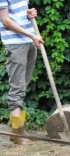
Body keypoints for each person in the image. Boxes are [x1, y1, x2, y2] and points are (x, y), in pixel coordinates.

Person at [0, 1, 44, 144]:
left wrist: (30, 13)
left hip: (29, 41)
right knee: (17, 89)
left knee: (23, 87)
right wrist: (31, 35)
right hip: (15, 44)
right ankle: (19, 135)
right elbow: (6, 20)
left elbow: (17, 14)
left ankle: (16, 132)